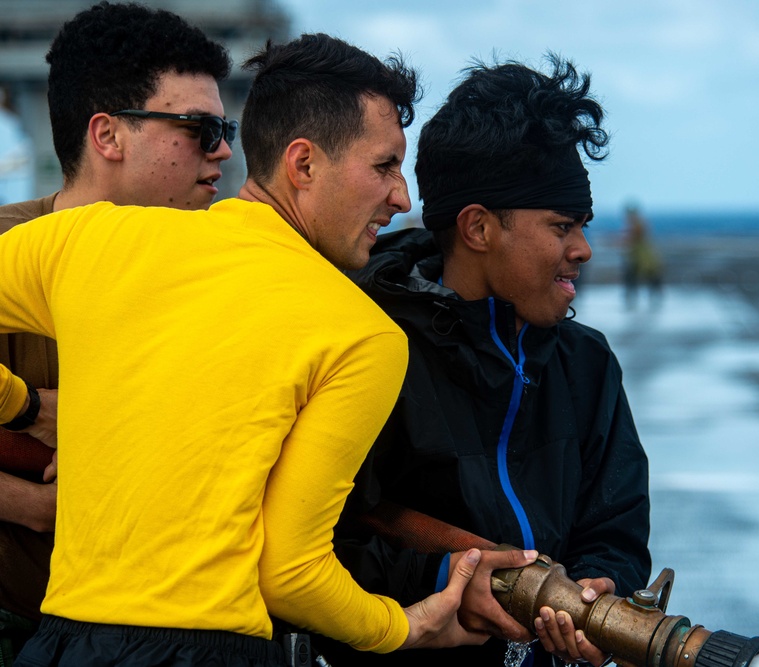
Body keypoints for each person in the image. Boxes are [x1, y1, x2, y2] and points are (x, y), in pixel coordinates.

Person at [0, 33, 519, 667]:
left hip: (60, 643)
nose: (403, 198)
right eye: (384, 166)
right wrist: (401, 627)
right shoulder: (361, 334)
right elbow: (292, 573)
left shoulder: (96, 240)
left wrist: (20, 405)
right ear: (303, 165)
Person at [326, 56, 652, 666]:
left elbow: (616, 527)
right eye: (560, 225)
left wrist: (602, 588)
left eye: (582, 224)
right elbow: (317, 547)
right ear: (478, 227)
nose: (581, 248)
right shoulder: (368, 349)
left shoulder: (587, 364)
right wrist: (443, 579)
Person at [0, 2, 233, 660]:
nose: (222, 150)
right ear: (107, 136)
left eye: (226, 126)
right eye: (199, 127)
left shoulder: (224, 273)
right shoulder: (7, 245)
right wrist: (30, 501)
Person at [622, 203, 664, 309]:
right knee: (636, 278)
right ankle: (635, 300)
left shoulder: (637, 224)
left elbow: (633, 239)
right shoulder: (638, 223)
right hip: (641, 255)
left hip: (641, 256)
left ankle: (636, 300)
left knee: (641, 278)